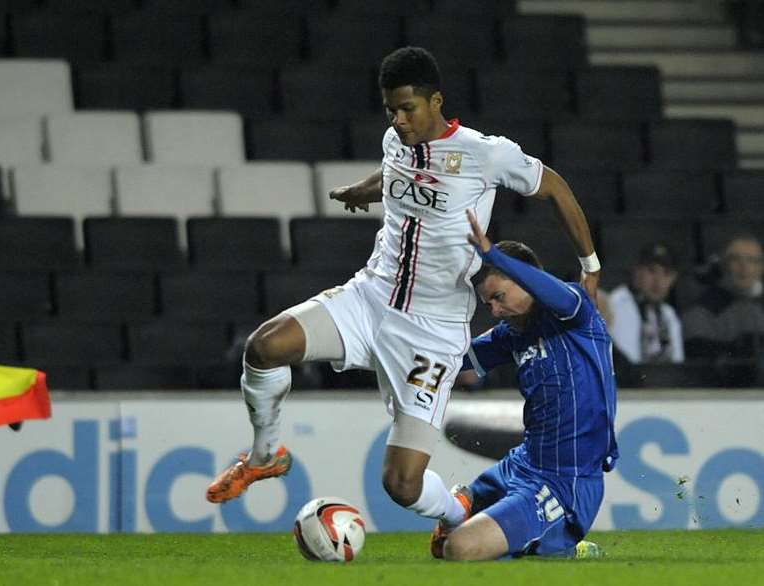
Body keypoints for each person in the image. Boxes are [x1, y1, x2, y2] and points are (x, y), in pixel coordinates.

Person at [206, 47, 602, 531]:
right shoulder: (396, 140)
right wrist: (361, 190)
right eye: (390, 109)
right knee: (265, 346)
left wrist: (589, 264)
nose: (397, 119)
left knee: (401, 485)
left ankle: (457, 511)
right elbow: (396, 175)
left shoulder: (485, 153)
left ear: (436, 101)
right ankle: (265, 455)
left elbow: (556, 188)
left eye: (407, 108)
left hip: (431, 331)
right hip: (370, 298)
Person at [431, 210, 617, 561]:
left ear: (526, 279)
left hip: (565, 482)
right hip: (522, 465)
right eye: (489, 304)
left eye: (499, 296)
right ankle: (540, 541)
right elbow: (452, 361)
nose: (496, 310)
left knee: (460, 548)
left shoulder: (574, 311)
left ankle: (558, 545)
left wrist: (493, 254)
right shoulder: (511, 334)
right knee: (443, 545)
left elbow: (551, 291)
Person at [682, 233, 764, 360]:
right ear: (723, 265)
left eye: (753, 260)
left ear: (761, 268)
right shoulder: (702, 312)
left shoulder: (759, 305)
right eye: (736, 259)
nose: (744, 267)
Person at [608, 243, 684, 364]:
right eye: (652, 271)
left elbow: (677, 365)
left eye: (666, 273)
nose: (658, 280)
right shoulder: (615, 305)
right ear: (637, 271)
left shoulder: (669, 315)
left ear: (673, 279)